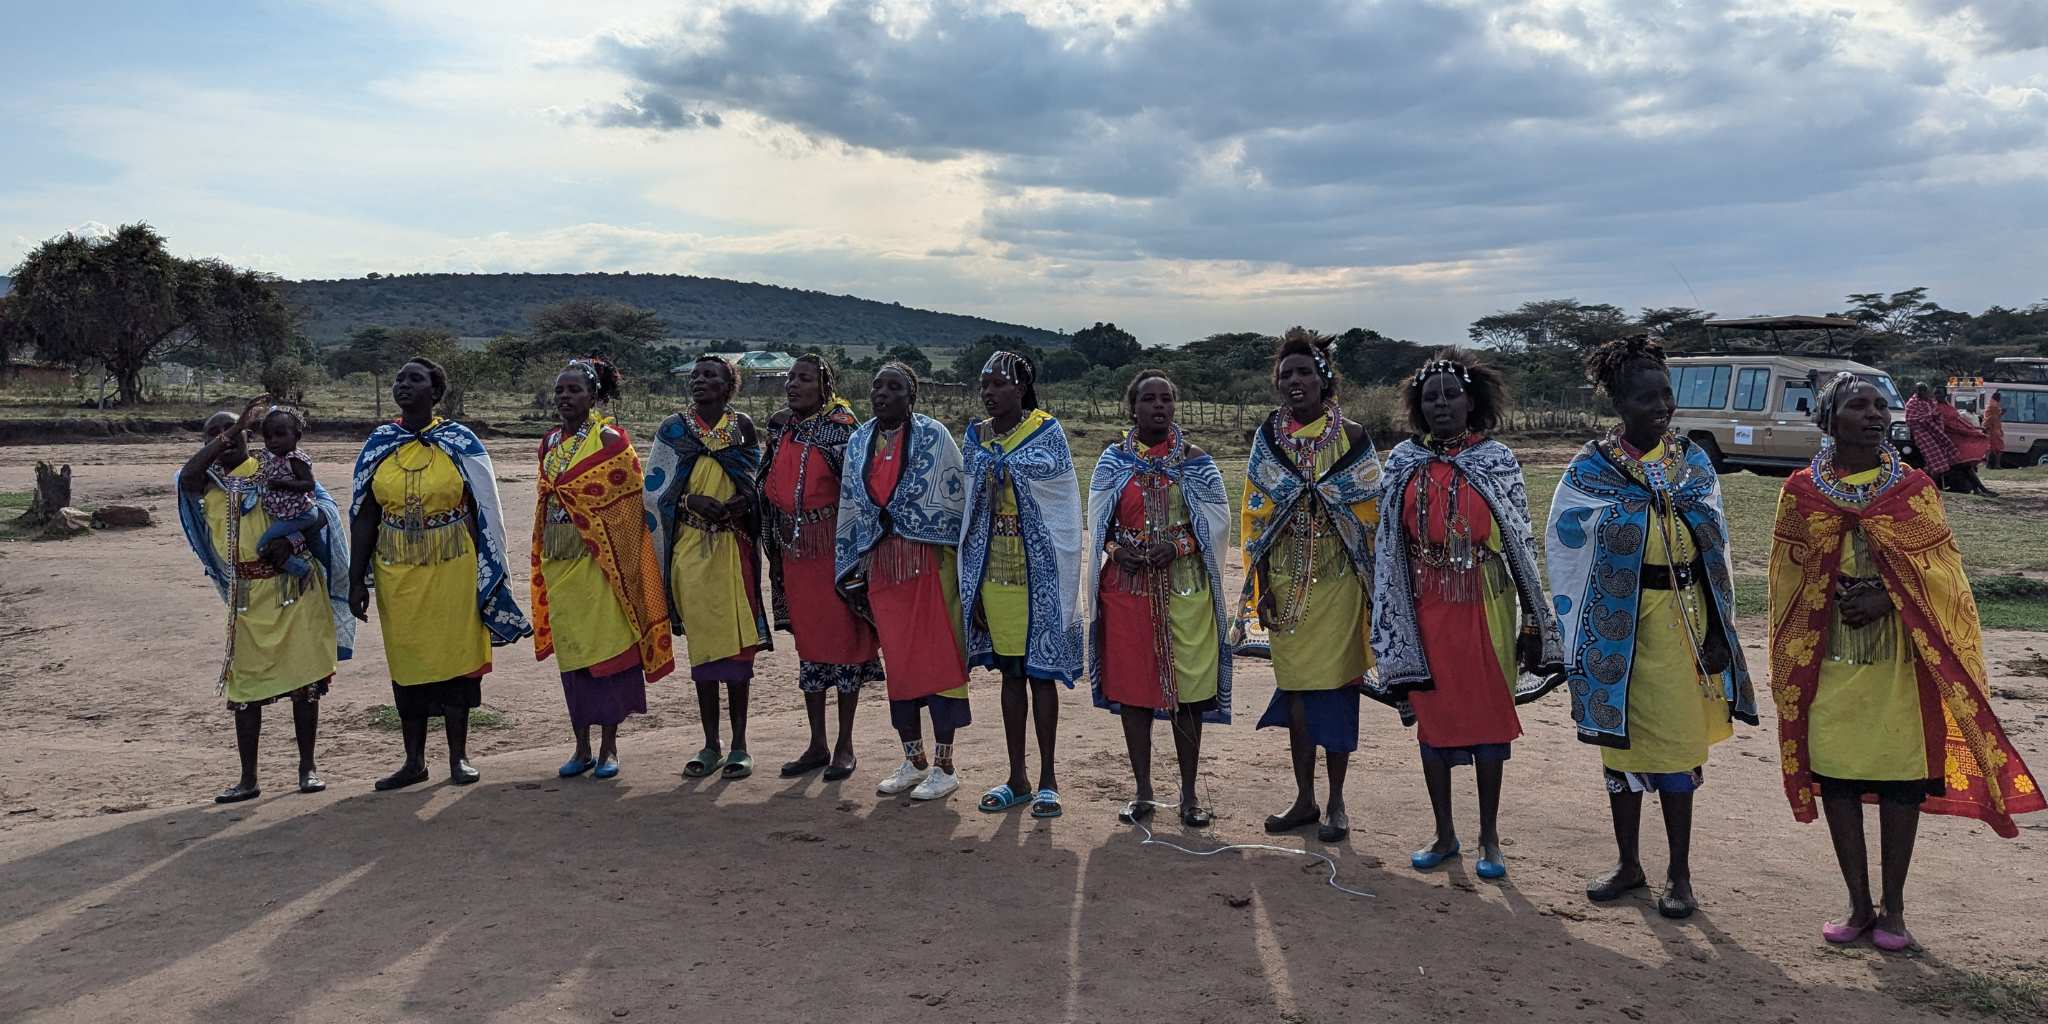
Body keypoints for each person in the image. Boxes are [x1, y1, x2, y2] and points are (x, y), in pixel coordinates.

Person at [1769, 372, 2043, 950]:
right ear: (1828, 420)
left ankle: (1893, 909)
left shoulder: (1913, 487)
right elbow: (1787, 578)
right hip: (1830, 659)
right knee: (1837, 780)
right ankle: (1857, 903)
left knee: (1900, 783)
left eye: (1879, 405)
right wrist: (1832, 593)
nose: (1874, 414)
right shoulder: (1800, 491)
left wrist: (1889, 596)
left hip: (1901, 663)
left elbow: (1947, 577)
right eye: (1857, 405)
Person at [1545, 335, 1754, 919]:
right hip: (1617, 633)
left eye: (1666, 394)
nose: (1660, 407)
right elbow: (1565, 551)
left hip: (1684, 627)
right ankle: (1628, 863)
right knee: (1622, 753)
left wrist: (1720, 630)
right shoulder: (1590, 470)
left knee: (1678, 752)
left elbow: (1718, 551)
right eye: (1645, 398)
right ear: (1619, 404)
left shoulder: (1693, 463)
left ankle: (1680, 874)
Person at [1370, 350, 1562, 879]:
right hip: (1425, 610)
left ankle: (1490, 838)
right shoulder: (1403, 462)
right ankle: (1444, 833)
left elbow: (1520, 540)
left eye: (1451, 396)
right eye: (1430, 399)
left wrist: (1529, 623)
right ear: (1418, 407)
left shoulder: (1496, 460)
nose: (1441, 406)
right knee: (1432, 723)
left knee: (1486, 722)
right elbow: (1388, 542)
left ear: (1472, 400)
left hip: (1486, 605)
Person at [349, 357, 531, 790]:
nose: (403, 385)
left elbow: (485, 509)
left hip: (454, 566)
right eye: (398, 378)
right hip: (397, 571)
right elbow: (363, 514)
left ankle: (459, 757)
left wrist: (491, 571)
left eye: (415, 379)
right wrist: (356, 579)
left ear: (436, 392)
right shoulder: (379, 444)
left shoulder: (460, 442)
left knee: (456, 661)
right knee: (407, 661)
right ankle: (413, 761)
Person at [1234, 329, 1380, 843]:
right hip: (1286, 581)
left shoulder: (1355, 437)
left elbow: (1370, 513)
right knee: (1295, 690)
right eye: (1286, 374)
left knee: (1339, 690)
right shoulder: (1267, 440)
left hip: (1341, 586)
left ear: (1325, 379)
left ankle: (1337, 800)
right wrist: (1261, 586)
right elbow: (1254, 514)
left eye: (1305, 372)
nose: (1295, 381)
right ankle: (1304, 798)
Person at [177, 402, 354, 802]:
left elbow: (322, 509)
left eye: (234, 432)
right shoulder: (205, 483)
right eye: (215, 434)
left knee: (306, 683)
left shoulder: (273, 466)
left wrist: (287, 542)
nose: (224, 439)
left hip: (293, 592)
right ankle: (248, 779)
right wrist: (230, 429)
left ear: (249, 438)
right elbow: (187, 475)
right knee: (244, 690)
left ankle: (307, 768)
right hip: (246, 599)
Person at [1087, 369, 1233, 828]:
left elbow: (1217, 525)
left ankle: (1190, 795)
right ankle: (1143, 791)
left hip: (1184, 589)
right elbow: (1102, 527)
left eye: (1166, 399)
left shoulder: (1197, 462)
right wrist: (1116, 550)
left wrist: (1180, 545)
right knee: (1133, 694)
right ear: (1133, 407)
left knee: (1187, 694)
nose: (1158, 407)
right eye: (1149, 399)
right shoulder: (1112, 463)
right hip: (1126, 592)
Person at [530, 358, 675, 780]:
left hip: (603, 567)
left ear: (593, 396)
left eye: (574, 390)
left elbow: (629, 509)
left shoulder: (610, 440)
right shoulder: (549, 443)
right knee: (573, 658)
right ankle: (581, 748)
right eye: (559, 390)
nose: (564, 397)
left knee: (608, 655)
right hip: (560, 566)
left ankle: (610, 748)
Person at [835, 362, 972, 801]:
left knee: (940, 665)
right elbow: (852, 504)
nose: (882, 393)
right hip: (883, 569)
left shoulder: (935, 437)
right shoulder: (859, 441)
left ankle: (945, 766)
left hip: (930, 568)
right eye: (877, 386)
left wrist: (908, 523)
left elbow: (954, 501)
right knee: (900, 666)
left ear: (911, 396)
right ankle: (913, 761)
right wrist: (855, 559)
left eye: (894, 387)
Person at [960, 351, 1084, 819]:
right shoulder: (976, 438)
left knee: (1041, 676)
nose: (988, 393)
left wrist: (1004, 469)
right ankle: (1017, 777)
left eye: (997, 384)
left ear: (1020, 388)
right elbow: (969, 510)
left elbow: (1060, 503)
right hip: (994, 575)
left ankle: (1049, 779)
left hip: (1040, 577)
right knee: (1010, 675)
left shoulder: (1046, 433)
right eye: (983, 386)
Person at [646, 355, 771, 781]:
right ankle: (710, 743)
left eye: (711, 375)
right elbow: (654, 493)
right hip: (690, 550)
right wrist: (688, 502)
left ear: (728, 385)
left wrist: (742, 502)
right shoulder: (673, 430)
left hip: (733, 550)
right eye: (696, 375)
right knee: (704, 652)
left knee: (736, 652)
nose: (700, 381)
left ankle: (739, 745)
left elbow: (756, 484)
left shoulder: (743, 428)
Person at [762, 354, 882, 781]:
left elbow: (861, 493)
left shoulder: (843, 431)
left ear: (824, 386)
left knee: (845, 644)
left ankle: (845, 744)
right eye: (791, 377)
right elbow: (767, 481)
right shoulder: (781, 427)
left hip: (835, 552)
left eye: (805, 379)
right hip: (795, 554)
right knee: (810, 647)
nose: (794, 385)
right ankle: (816, 743)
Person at [251, 407, 323, 579]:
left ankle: (302, 570)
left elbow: (309, 484)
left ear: (297, 436)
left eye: (280, 434)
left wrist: (282, 484)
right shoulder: (272, 457)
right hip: (290, 514)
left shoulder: (295, 459)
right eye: (268, 437)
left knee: (262, 546)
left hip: (301, 514)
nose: (273, 441)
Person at [1935, 391, 1995, 496]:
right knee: (1965, 466)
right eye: (1936, 394)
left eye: (1940, 394)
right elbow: (1949, 423)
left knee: (1966, 467)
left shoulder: (1948, 406)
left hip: (1957, 438)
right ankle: (1981, 490)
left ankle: (1980, 490)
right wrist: (1971, 432)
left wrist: (1973, 432)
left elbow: (1958, 423)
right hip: (1947, 440)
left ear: (1945, 395)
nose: (1938, 396)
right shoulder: (1934, 407)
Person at [1903, 384, 1958, 489]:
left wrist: (1934, 419)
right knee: (1935, 462)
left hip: (1934, 432)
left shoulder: (1930, 402)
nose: (1925, 393)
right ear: (1918, 392)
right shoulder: (1912, 403)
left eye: (1925, 391)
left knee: (1940, 459)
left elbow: (1937, 414)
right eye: (1922, 391)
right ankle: (1931, 486)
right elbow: (1911, 419)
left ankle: (1935, 485)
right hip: (1921, 434)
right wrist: (1929, 417)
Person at [1983, 390, 2005, 471]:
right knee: (1997, 448)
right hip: (1993, 430)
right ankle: (1996, 465)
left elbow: (1994, 416)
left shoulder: (1991, 405)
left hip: (1994, 429)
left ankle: (1991, 465)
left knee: (1993, 449)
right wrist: (2000, 413)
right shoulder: (1993, 405)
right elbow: (1992, 417)